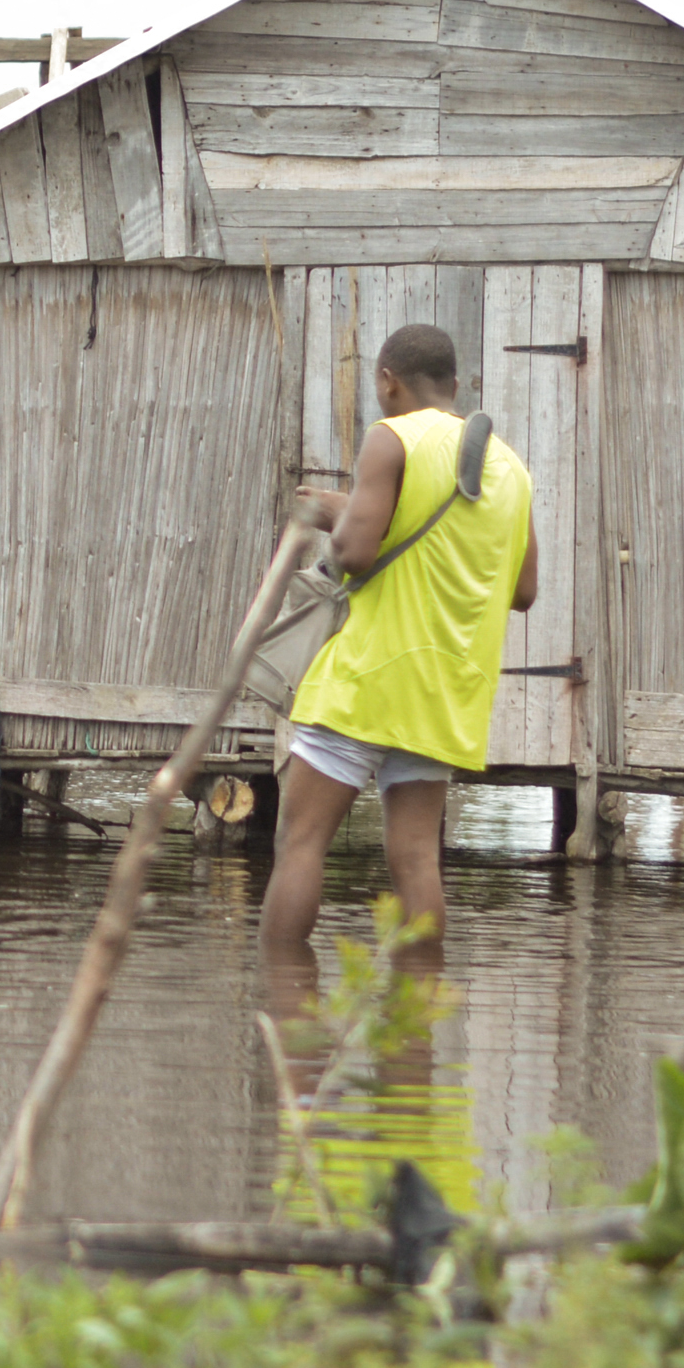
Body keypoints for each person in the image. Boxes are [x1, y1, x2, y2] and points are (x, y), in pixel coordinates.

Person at [261, 323, 537, 1002]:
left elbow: (354, 554)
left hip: (370, 677)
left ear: (387, 379)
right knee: (417, 861)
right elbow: (525, 592)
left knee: (300, 843)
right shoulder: (510, 468)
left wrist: (335, 510)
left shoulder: (394, 439)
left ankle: (286, 1019)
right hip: (446, 692)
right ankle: (413, 1043)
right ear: (456, 384)